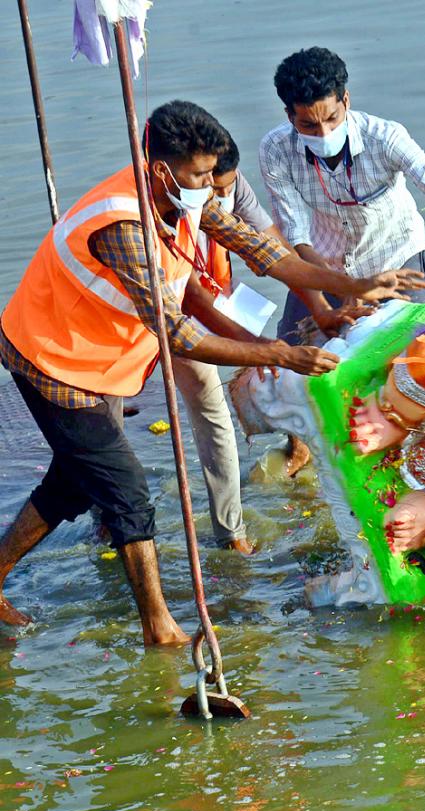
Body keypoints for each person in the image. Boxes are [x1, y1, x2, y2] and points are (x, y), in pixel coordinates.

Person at [0, 100, 424, 640]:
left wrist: (357, 285)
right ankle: (159, 627)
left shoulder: (184, 199)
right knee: (127, 493)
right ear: (162, 169)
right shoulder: (124, 224)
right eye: (200, 174)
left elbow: (266, 253)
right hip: (52, 363)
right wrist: (278, 353)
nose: (210, 186)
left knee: (74, 484)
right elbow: (180, 335)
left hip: (94, 358)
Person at [259, 46, 425, 473]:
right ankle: (300, 446)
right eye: (308, 124)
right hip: (322, 261)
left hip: (396, 257)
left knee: (417, 356)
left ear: (346, 100)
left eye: (331, 118)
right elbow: (294, 232)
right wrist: (340, 294)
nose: (322, 130)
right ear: (290, 116)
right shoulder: (276, 150)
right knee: (296, 352)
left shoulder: (385, 137)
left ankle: (419, 447)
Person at [175, 134, 380, 552]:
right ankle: (108, 515)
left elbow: (277, 253)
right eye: (208, 187)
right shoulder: (172, 207)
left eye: (225, 187)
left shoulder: (229, 192)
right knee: (105, 439)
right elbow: (191, 299)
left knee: (212, 413)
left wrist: (324, 307)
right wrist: (266, 349)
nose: (218, 197)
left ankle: (230, 535)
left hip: (203, 302)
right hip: (164, 315)